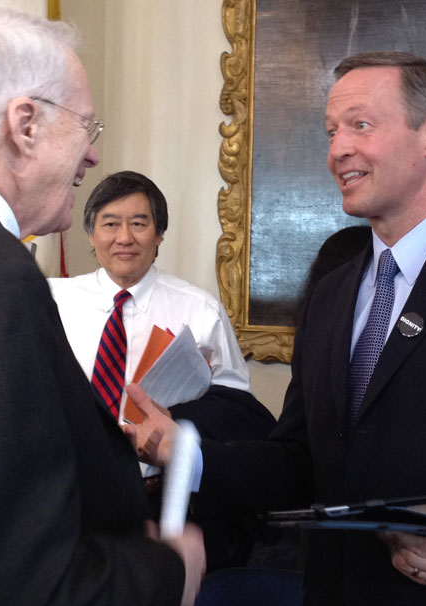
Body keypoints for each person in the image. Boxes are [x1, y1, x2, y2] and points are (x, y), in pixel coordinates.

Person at [126, 51, 426, 606]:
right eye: (332, 131)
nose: (338, 149)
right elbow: (299, 461)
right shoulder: (331, 294)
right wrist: (188, 455)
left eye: (360, 125)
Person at [0, 6, 205, 606]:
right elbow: (12, 588)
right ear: (24, 124)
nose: (92, 155)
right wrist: (168, 573)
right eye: (87, 126)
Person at [48, 170, 276, 570]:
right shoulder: (55, 301)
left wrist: (177, 416)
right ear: (91, 234)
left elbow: (238, 411)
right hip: (69, 497)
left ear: (159, 235)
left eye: (139, 224)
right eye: (110, 224)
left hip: (157, 497)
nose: (124, 238)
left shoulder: (199, 310)